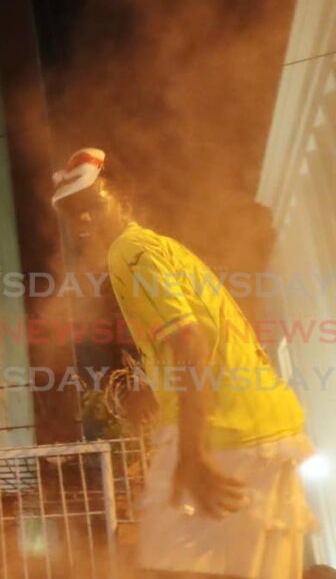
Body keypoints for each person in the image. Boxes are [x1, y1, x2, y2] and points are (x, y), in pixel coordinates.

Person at [52, 148, 315, 578]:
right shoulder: (162, 248)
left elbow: (188, 342)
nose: (82, 221)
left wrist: (192, 453)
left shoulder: (128, 252)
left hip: (228, 434)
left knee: (163, 569)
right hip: (263, 429)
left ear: (125, 199)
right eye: (71, 213)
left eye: (91, 207)